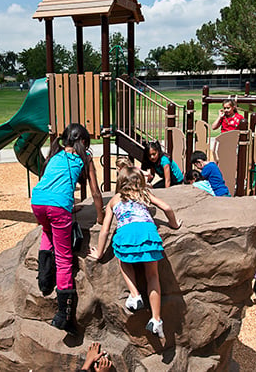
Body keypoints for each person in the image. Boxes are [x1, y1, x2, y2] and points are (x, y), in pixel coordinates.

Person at [88, 166, 182, 338]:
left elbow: (105, 230)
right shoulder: (144, 194)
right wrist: (174, 225)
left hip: (127, 235)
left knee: (123, 260)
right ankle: (156, 319)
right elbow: (167, 208)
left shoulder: (114, 200)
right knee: (153, 276)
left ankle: (135, 294)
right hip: (148, 233)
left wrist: (99, 253)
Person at [31, 123, 104, 334]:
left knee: (47, 232)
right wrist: (100, 216)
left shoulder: (54, 155)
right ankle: (64, 315)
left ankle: (45, 281)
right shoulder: (85, 159)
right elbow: (96, 192)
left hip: (38, 201)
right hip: (57, 208)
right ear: (82, 142)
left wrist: (68, 205)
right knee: (64, 259)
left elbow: (53, 182)